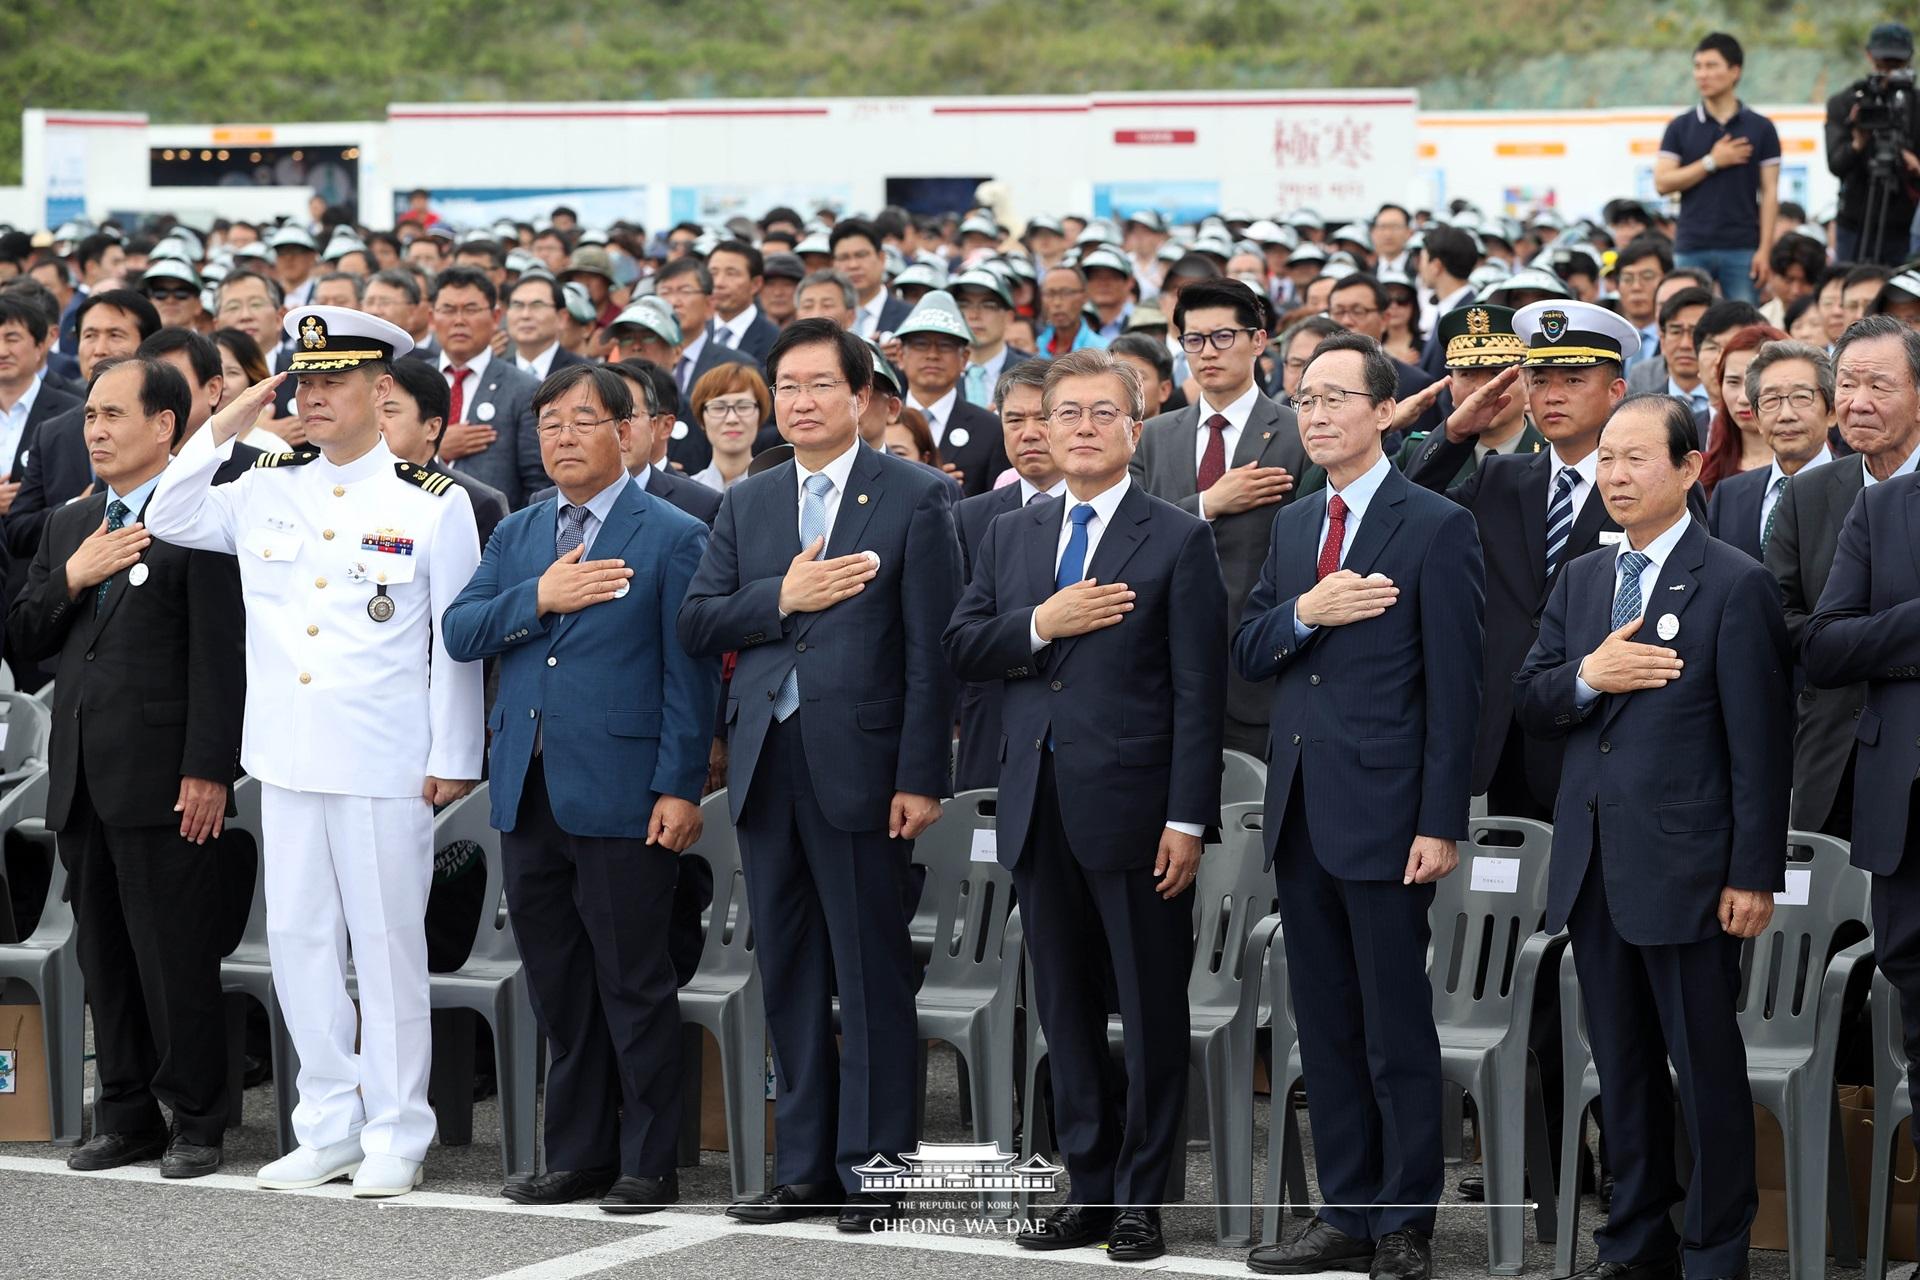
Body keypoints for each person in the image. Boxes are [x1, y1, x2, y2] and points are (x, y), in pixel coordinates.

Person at [143, 305, 484, 1199]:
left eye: (335, 380)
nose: (315, 394)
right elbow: (169, 507)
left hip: (383, 760)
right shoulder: (266, 482)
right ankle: (327, 1123)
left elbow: (453, 644)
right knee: (297, 943)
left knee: (384, 946)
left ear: (382, 389)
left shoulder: (432, 504)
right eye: (305, 378)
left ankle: (398, 1129)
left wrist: (453, 754)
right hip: (285, 757)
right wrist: (230, 416)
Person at [677, 319, 960, 1233]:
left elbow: (932, 652)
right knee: (790, 970)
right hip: (767, 762)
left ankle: (879, 1171)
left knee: (872, 974)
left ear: (862, 395)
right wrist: (781, 599)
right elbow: (700, 620)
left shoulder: (914, 495)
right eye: (786, 388)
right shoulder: (751, 501)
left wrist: (922, 774)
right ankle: (804, 1167)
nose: (800, 402)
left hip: (868, 768)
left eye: (818, 386)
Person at [943, 348, 1226, 1263]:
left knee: (1148, 1011)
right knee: (1061, 1008)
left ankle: (1145, 1197)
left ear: (1136, 431)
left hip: (1138, 811)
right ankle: (1089, 1186)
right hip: (1035, 803)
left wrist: (1188, 818)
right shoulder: (1012, 533)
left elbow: (1197, 692)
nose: (1081, 429)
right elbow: (965, 644)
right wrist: (1040, 626)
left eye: (1103, 414)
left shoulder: (1177, 536)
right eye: (1066, 414)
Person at [1515, 392, 1791, 1280]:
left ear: (1685, 468)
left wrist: (1753, 873)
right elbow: (1531, 699)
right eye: (1605, 460)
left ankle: (1715, 1250)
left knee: (1704, 1069)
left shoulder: (1734, 581)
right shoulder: (1585, 578)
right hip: (1595, 866)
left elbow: (1760, 747)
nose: (1616, 476)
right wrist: (1589, 677)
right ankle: (1634, 1241)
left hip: (1689, 870)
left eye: (1636, 458)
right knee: (1622, 1069)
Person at [1238, 332, 1484, 1280]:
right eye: (1305, 399)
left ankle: (1404, 1222)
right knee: (1325, 1026)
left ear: (1387, 411)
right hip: (1301, 810)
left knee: (1394, 1028)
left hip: (1390, 815)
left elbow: (1458, 690)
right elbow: (1253, 647)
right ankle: (1344, 1210)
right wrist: (1310, 612)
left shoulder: (1433, 522)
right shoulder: (1298, 526)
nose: (1318, 413)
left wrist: (1440, 819)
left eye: (1338, 397)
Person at [443, 364, 716, 1214]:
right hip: (527, 791)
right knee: (559, 982)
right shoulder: (520, 532)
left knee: (634, 982)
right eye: (549, 423)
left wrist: (678, 786)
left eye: (583, 421)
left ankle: (647, 1160)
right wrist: (541, 596)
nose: (562, 437)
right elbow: (459, 630)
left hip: (627, 793)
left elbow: (690, 674)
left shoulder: (671, 532)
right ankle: (579, 1155)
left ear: (627, 432)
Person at [5, 356, 245, 1180]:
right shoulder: (74, 524)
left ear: (167, 425)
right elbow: (24, 635)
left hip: (168, 777)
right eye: (91, 417)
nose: (96, 431)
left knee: (174, 954)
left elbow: (223, 658)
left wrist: (210, 767)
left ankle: (199, 1121)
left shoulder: (203, 520)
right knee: (103, 953)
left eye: (114, 416)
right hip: (82, 775)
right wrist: (74, 576)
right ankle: (127, 1114)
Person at [1405, 299, 1640, 819]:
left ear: (1616, 391)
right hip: (1508, 731)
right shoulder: (1500, 478)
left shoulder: (1648, 484)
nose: (1551, 395)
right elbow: (1401, 514)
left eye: (1573, 380)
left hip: (1605, 726)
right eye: (1539, 379)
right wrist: (1454, 434)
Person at [1130, 278, 1304, 756]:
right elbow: (1128, 536)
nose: (1207, 351)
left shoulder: (1298, 432)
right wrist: (1207, 504)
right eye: (1193, 339)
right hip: (1162, 669)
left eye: (1223, 337)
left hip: (1258, 672)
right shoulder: (1153, 435)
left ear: (1258, 341)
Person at [1770, 316, 1920, 842]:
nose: (1857, 402)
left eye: (1879, 386)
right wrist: (1847, 641)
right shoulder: (1807, 494)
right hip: (1832, 751)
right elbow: (1778, 617)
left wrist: (1852, 638)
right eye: (1847, 385)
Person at [951, 360, 1064, 791]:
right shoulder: (970, 515)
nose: (1029, 432)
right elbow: (960, 634)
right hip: (992, 725)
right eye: (1014, 419)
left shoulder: (1108, 513)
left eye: (1043, 417)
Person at [1654, 33, 1781, 303]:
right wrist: (1712, 162)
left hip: (1743, 247)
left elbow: (1770, 192)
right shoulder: (1680, 126)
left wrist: (1764, 250)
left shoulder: (1761, 127)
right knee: (1688, 319)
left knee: (1747, 328)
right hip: (1691, 244)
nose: (1702, 74)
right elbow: (1662, 183)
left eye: (1711, 66)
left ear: (1735, 71)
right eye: (1698, 66)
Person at [418, 265, 547, 510]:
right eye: (448, 309)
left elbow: (537, 483)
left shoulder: (525, 389)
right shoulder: (410, 382)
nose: (459, 320)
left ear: (496, 317)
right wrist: (437, 449)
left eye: (471, 309)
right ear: (432, 318)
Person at [1397, 304, 1544, 486]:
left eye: (1496, 374)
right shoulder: (1417, 451)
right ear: (1451, 387)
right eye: (1467, 375)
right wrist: (1386, 426)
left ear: (1528, 383)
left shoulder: (1554, 454)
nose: (1482, 390)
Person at [377, 358, 509, 550]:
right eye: (372, 410)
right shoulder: (348, 486)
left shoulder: (475, 503)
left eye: (389, 412)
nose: (377, 423)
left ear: (432, 428)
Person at [894, 290, 1008, 496]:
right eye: (921, 344)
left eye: (945, 346)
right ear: (900, 355)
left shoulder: (991, 430)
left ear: (964, 358)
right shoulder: (881, 423)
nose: (932, 355)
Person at [1824, 22, 1920, 265]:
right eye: (1882, 65)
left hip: (1906, 224)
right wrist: (1858, 142)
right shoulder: (1846, 102)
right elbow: (1836, 165)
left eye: (1896, 65)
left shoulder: (1916, 105)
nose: (1888, 73)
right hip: (1856, 222)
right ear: (1869, 56)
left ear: (1909, 59)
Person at [1698, 322, 1787, 492]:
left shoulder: (1812, 470)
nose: (1744, 398)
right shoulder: (1700, 471)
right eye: (1733, 382)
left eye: (1756, 384)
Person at [1627, 287, 1715, 434]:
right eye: (1676, 332)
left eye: (1696, 333)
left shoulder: (1731, 407)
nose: (1685, 344)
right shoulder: (1640, 410)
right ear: (1662, 340)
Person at [690, 363, 770, 493]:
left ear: (760, 415)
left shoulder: (778, 490)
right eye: (718, 408)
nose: (732, 419)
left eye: (743, 407)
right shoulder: (685, 494)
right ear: (701, 420)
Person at [952, 268, 1027, 406]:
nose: (974, 315)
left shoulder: (1032, 372)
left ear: (1008, 317)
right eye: (964, 305)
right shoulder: (936, 369)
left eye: (988, 305)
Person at [829, 219, 910, 339]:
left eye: (861, 255)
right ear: (833, 264)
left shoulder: (909, 317)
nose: (853, 265)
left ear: (881, 258)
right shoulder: (825, 318)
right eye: (844, 257)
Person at [707, 240, 781, 365]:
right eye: (713, 273)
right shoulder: (695, 334)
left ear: (755, 284)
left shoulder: (775, 341)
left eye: (731, 273)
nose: (718, 283)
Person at [505, 274, 588, 383]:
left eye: (537, 305)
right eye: (517, 305)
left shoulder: (585, 374)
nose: (525, 315)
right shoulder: (491, 375)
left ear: (562, 318)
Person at [1612, 238, 1674, 369]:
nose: (1636, 287)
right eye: (1627, 278)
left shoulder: (1679, 340)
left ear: (1667, 281)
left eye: (1647, 276)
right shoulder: (1606, 337)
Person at [1035, 266, 1107, 356]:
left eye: (1066, 293)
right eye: (1050, 293)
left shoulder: (1102, 351)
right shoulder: (1035, 347)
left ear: (1085, 296)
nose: (1057, 302)